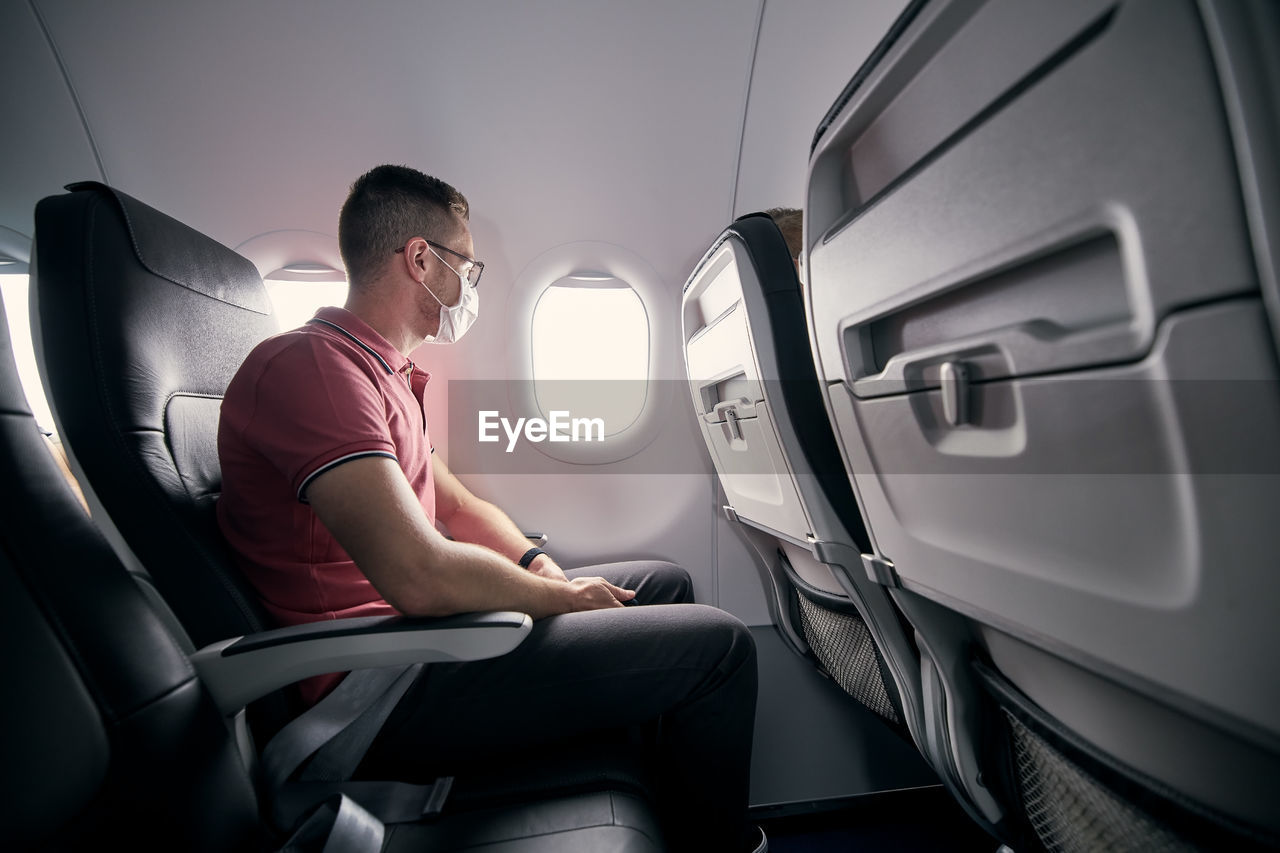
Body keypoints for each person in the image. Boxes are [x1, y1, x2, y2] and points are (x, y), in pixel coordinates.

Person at [216, 164, 763, 852]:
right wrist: (558, 600)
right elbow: (418, 573)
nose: (470, 287)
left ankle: (650, 809)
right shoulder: (315, 369)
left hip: (417, 644)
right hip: (378, 682)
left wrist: (546, 571)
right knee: (721, 647)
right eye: (465, 268)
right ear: (420, 259)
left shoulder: (379, 371)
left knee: (664, 583)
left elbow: (462, 507)